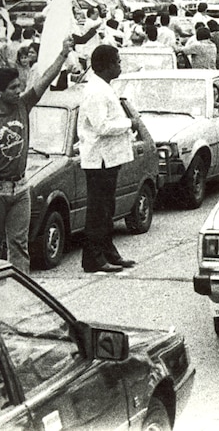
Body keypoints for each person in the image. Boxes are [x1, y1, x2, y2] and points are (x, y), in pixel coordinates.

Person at [0, 37, 73, 271]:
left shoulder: (23, 105)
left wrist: (63, 54)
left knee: (19, 245)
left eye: (19, 86)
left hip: (21, 189)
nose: (19, 90)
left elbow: (45, 80)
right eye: (13, 88)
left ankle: (22, 296)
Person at [78, 45, 138, 273]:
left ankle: (108, 251)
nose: (120, 66)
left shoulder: (104, 87)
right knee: (98, 210)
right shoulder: (95, 91)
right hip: (99, 159)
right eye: (118, 62)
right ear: (107, 65)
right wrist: (129, 123)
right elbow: (101, 126)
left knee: (107, 209)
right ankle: (93, 258)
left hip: (110, 158)